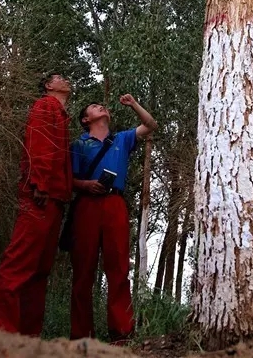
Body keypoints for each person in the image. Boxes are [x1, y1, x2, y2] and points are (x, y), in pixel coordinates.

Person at [0, 73, 72, 335]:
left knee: (39, 270)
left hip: (55, 199)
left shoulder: (61, 114)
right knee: (19, 264)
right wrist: (40, 183)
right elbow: (39, 144)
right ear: (49, 86)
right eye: (60, 78)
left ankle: (28, 334)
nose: (66, 80)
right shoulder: (45, 106)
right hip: (40, 196)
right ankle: (1, 332)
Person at [69, 93, 157, 343]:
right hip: (86, 206)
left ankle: (122, 333)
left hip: (115, 204)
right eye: (95, 107)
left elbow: (151, 125)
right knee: (83, 272)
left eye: (101, 105)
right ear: (86, 119)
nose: (101, 107)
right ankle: (81, 336)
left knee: (118, 268)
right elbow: (69, 180)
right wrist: (86, 185)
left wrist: (133, 105)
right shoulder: (79, 145)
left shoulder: (121, 138)